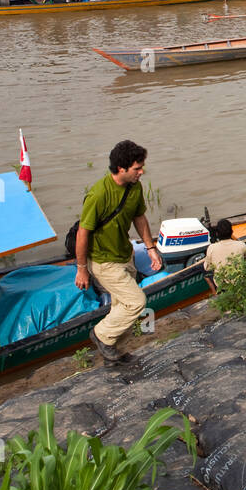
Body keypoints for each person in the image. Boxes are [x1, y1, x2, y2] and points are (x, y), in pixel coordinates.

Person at [75, 140, 160, 363]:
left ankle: (115, 350)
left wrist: (151, 248)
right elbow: (82, 233)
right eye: (137, 168)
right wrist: (82, 269)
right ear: (121, 168)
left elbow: (139, 217)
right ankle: (101, 335)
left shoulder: (135, 187)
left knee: (120, 306)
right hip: (103, 261)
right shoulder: (98, 195)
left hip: (125, 254)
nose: (141, 172)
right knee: (136, 302)